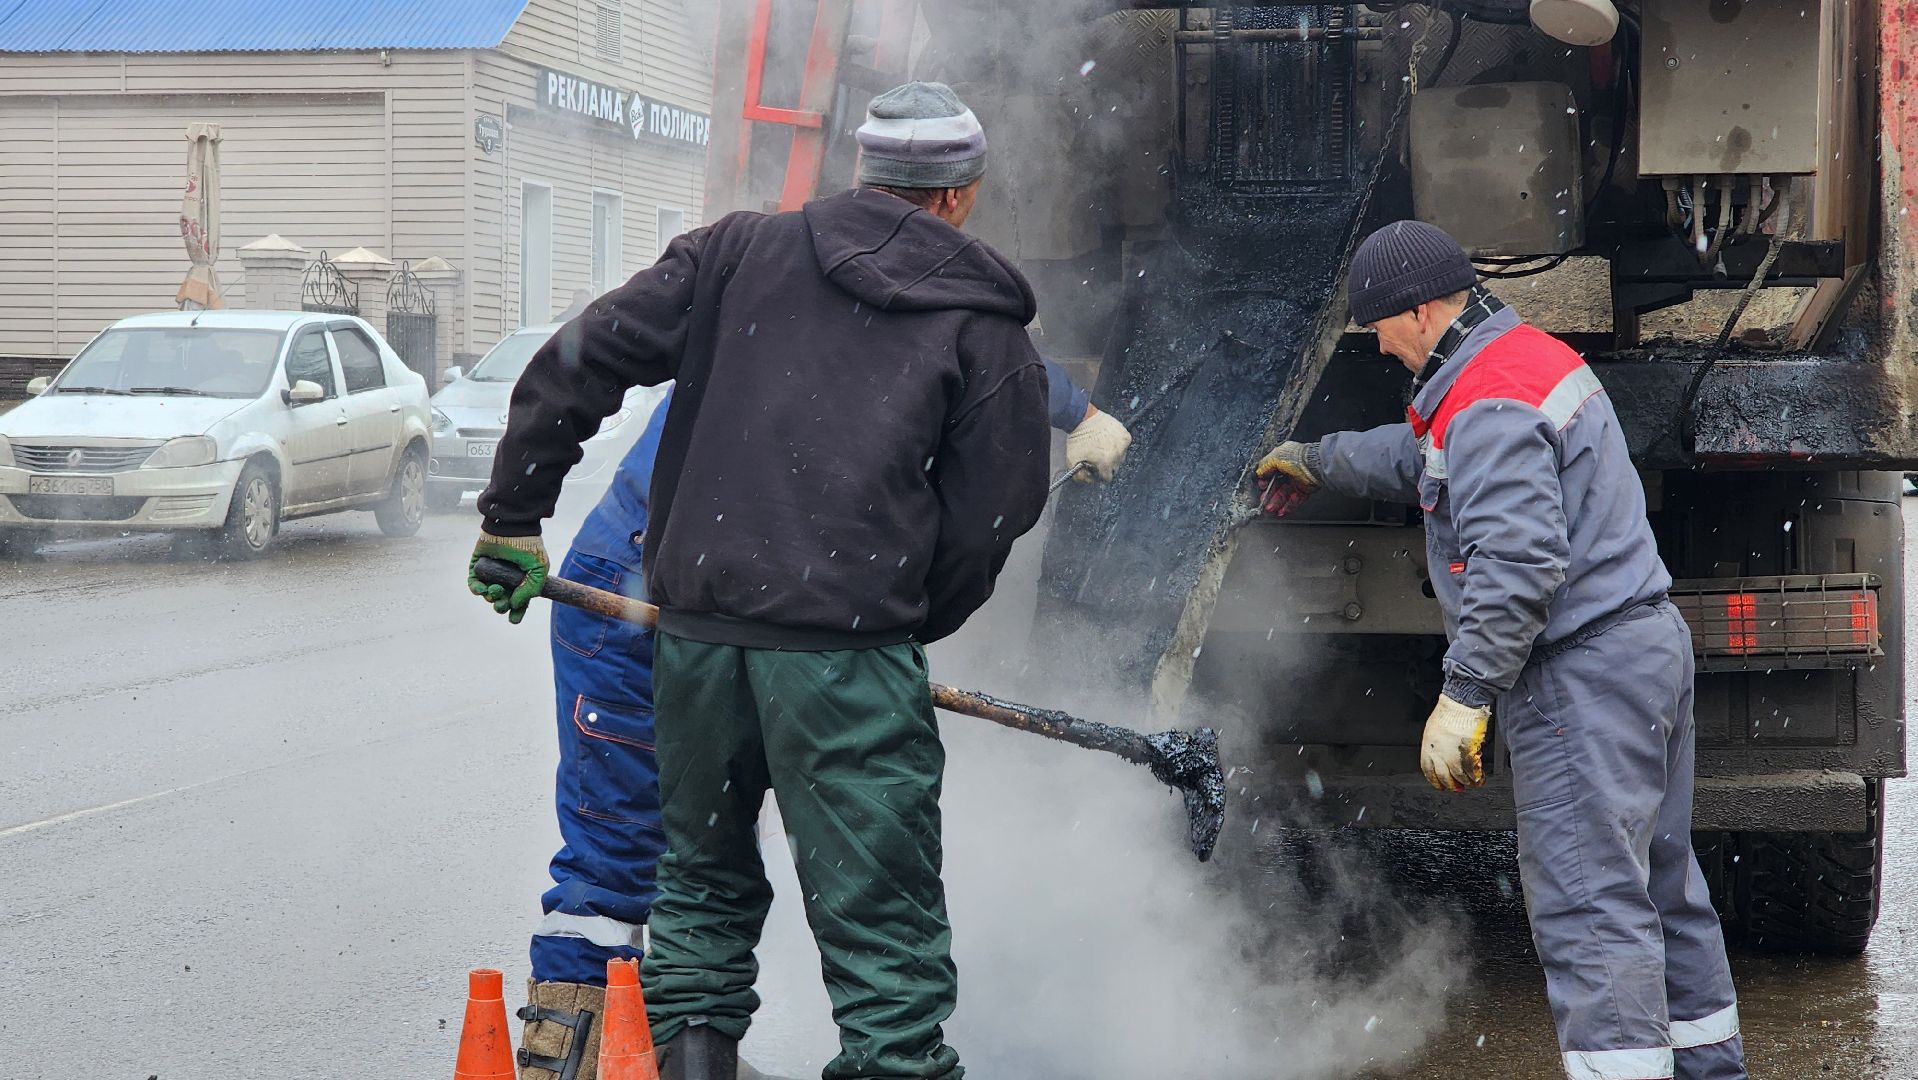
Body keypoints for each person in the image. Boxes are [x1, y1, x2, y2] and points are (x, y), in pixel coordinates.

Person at [471, 82, 1059, 1080]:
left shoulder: (734, 254)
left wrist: (514, 517)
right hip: (844, 656)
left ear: (864, 173)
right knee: (882, 929)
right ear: (960, 196)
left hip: (695, 646)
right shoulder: (981, 325)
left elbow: (582, 355)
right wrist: (909, 617)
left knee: (699, 890)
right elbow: (995, 512)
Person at [516, 366, 1126, 1080]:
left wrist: (1074, 407)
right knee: (634, 862)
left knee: (701, 850)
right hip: (638, 609)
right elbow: (980, 351)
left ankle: (634, 1057)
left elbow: (980, 352)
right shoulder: (872, 327)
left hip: (684, 594)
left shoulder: (772, 303)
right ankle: (567, 1061)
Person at [1254, 221, 1745, 1080]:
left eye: (1377, 324)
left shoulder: (1484, 403)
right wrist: (1316, 459)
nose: (1376, 342)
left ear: (1415, 310)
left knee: (1591, 910)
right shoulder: (1518, 360)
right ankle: (1710, 1070)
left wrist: (1468, 691)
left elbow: (1520, 562)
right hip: (1643, 648)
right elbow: (1426, 456)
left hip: (1580, 675)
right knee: (1662, 889)